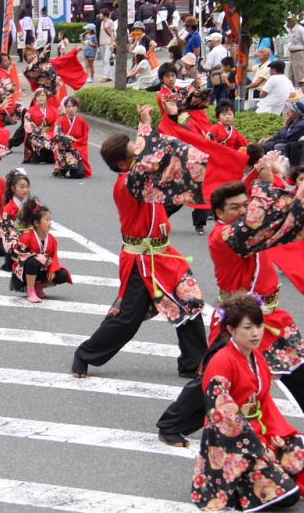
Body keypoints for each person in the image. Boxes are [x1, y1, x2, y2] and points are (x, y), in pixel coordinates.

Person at [157, 178, 304, 448]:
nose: (243, 211)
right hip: (238, 321)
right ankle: (171, 424)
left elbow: (276, 214)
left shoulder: (248, 230)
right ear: (218, 213)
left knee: (302, 374)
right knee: (214, 380)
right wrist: (266, 182)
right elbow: (255, 223)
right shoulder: (224, 237)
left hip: (271, 319)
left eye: (246, 205)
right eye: (235, 208)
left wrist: (288, 180)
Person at [71, 105, 207, 379]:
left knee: (189, 304)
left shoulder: (140, 178)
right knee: (128, 318)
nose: (140, 153)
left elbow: (157, 157)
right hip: (140, 260)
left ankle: (193, 363)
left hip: (165, 254)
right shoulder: (128, 184)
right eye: (134, 151)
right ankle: (84, 353)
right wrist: (145, 123)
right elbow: (149, 161)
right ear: (123, 164)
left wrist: (155, 123)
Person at [191, 294, 304, 511]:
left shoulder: (257, 357)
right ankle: (240, 489)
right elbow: (225, 418)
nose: (256, 333)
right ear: (231, 329)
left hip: (259, 433)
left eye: (258, 326)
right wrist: (259, 447)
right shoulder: (221, 362)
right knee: (288, 497)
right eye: (248, 327)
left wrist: (275, 434)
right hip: (231, 445)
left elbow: (265, 401)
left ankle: (264, 478)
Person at [9, 197, 72, 302]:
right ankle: (31, 291)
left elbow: (54, 256)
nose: (49, 222)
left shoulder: (51, 239)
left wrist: (52, 269)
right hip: (25, 272)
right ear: (37, 223)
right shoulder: (27, 237)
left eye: (50, 220)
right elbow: (19, 256)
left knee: (62, 274)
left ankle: (39, 286)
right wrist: (36, 257)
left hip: (42, 268)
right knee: (33, 261)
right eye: (46, 220)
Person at [54, 97, 91, 178]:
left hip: (78, 149)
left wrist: (75, 141)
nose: (71, 109)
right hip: (64, 149)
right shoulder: (60, 120)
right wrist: (67, 138)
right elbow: (56, 135)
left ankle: (71, 169)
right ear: (65, 108)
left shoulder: (82, 121)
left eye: (74, 106)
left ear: (77, 108)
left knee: (79, 174)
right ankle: (61, 169)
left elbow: (85, 137)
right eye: (68, 106)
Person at [287, 15, 304, 85]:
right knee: (291, 76)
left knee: (299, 76)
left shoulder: (300, 29)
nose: (288, 22)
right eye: (288, 20)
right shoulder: (290, 30)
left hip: (299, 54)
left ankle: (301, 93)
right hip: (292, 54)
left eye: (290, 20)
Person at [97, 9, 115, 82]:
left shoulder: (110, 22)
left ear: (104, 14)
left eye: (100, 13)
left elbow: (112, 33)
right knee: (104, 60)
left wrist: (112, 43)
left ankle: (105, 76)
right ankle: (109, 76)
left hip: (108, 43)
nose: (99, 15)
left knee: (106, 59)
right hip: (102, 43)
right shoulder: (102, 23)